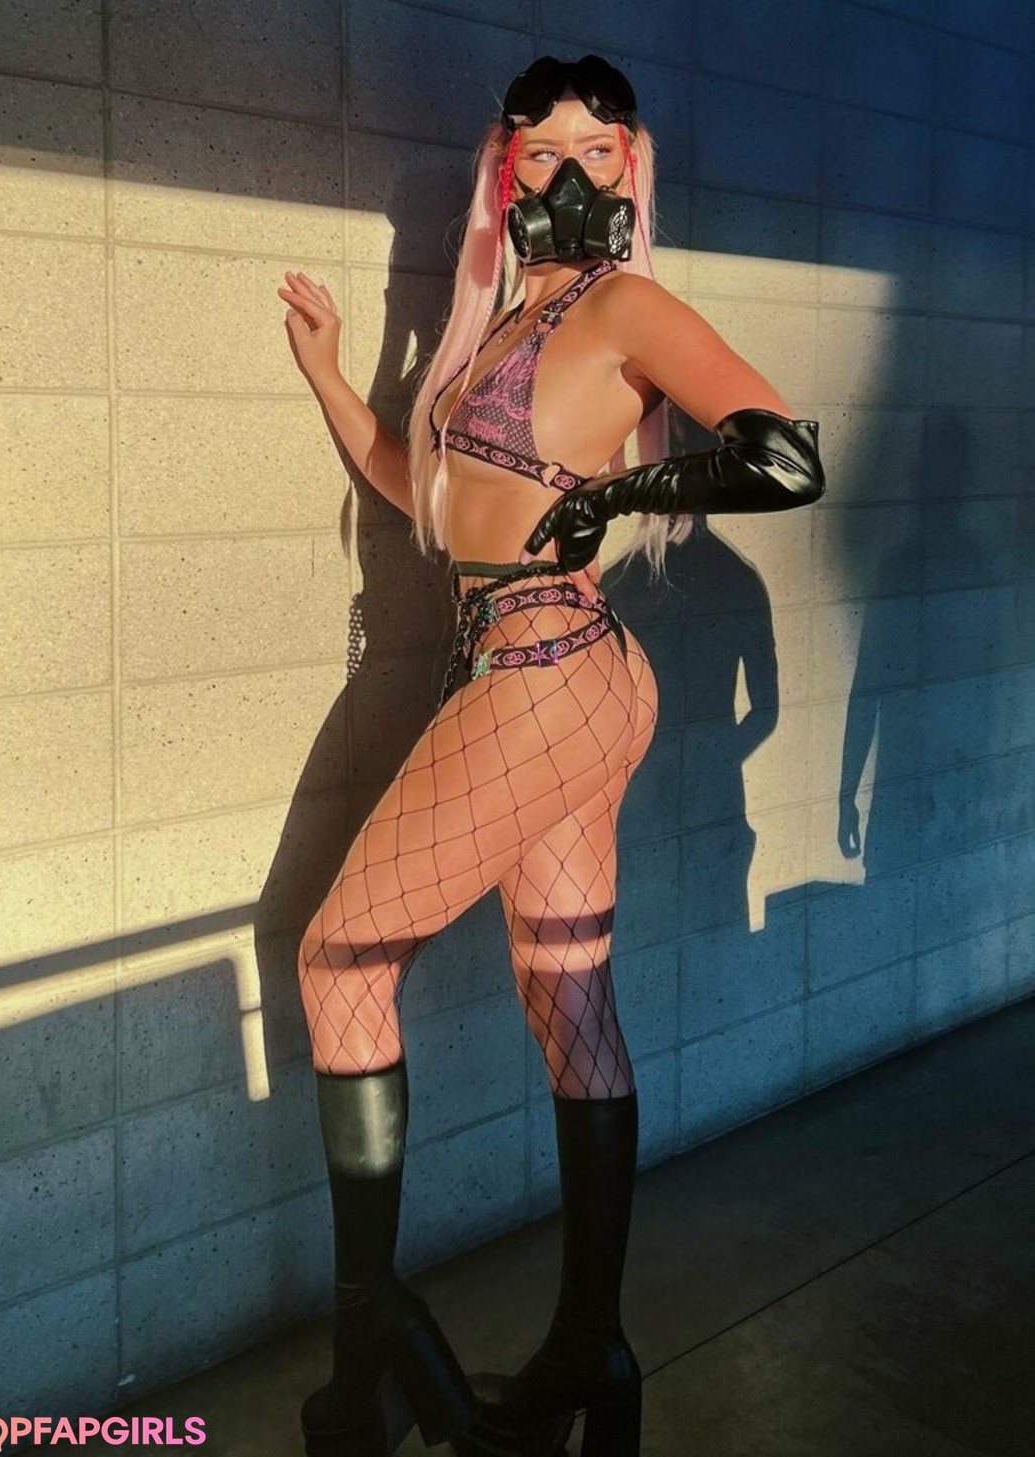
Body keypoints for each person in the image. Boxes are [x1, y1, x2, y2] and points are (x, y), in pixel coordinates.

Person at [276, 53, 824, 1457]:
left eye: (596, 150)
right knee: (565, 996)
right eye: (539, 153)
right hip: (545, 672)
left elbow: (785, 455)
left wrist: (620, 494)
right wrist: (332, 377)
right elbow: (427, 496)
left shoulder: (623, 307)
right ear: (502, 173)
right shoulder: (498, 329)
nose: (567, 174)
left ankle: (375, 1343)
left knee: (339, 962)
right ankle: (594, 1348)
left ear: (632, 169)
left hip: (549, 668)